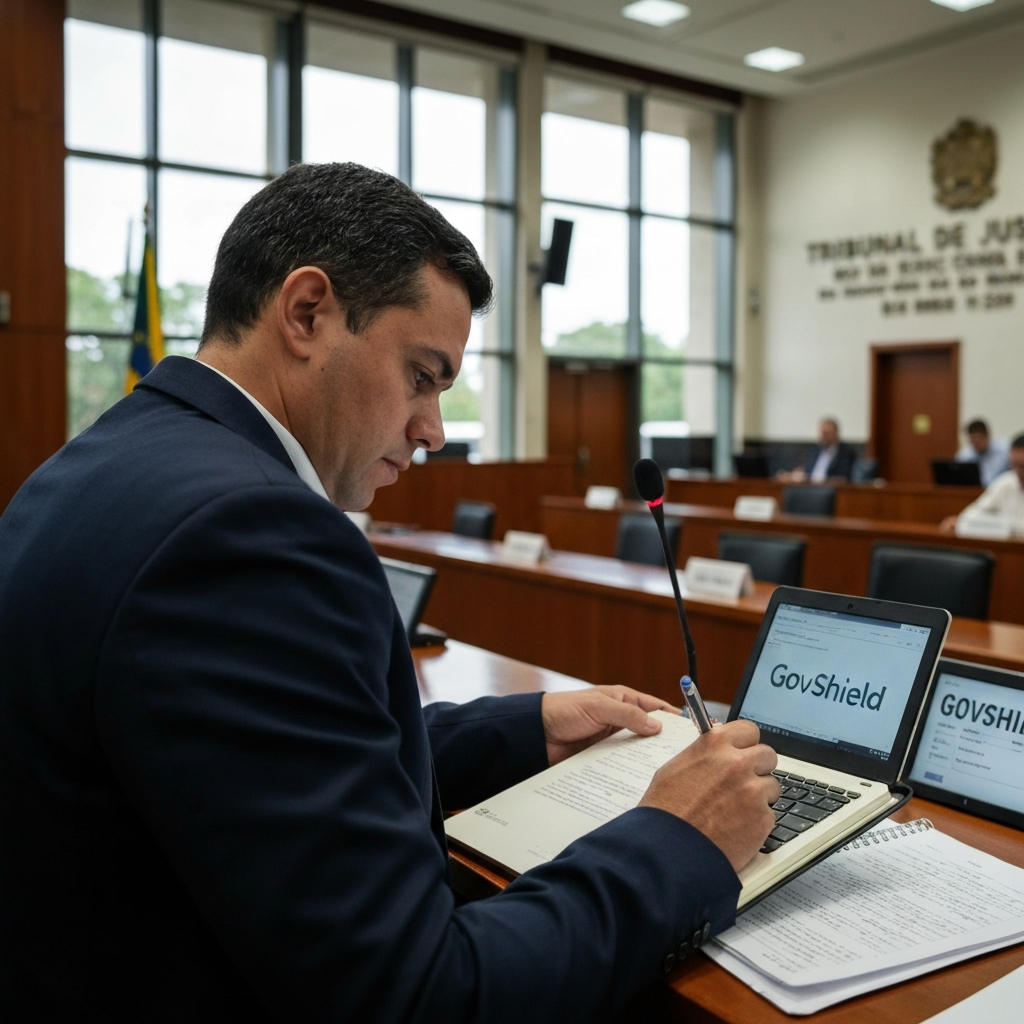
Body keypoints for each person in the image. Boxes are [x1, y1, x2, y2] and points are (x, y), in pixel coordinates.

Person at [0, 163, 779, 1023]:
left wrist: (524, 727)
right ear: (307, 313)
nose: (434, 430)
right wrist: (677, 836)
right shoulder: (252, 533)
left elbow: (258, 758)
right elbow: (416, 998)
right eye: (421, 375)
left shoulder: (99, 463)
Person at [942, 432, 1024, 536]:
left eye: (1022, 466)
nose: (1017, 472)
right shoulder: (1006, 483)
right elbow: (975, 512)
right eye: (1013, 465)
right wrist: (960, 522)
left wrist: (1008, 527)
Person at [777, 417, 857, 482]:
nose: (823, 437)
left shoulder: (846, 452)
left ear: (835, 433)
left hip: (829, 490)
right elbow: (806, 470)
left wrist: (809, 479)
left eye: (827, 433)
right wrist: (794, 476)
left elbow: (842, 479)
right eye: (822, 433)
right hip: (809, 487)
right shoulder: (815, 450)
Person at [954, 418, 1010, 486]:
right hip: (974, 491)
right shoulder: (965, 455)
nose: (976, 445)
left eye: (978, 441)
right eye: (973, 442)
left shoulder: (1005, 450)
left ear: (987, 436)